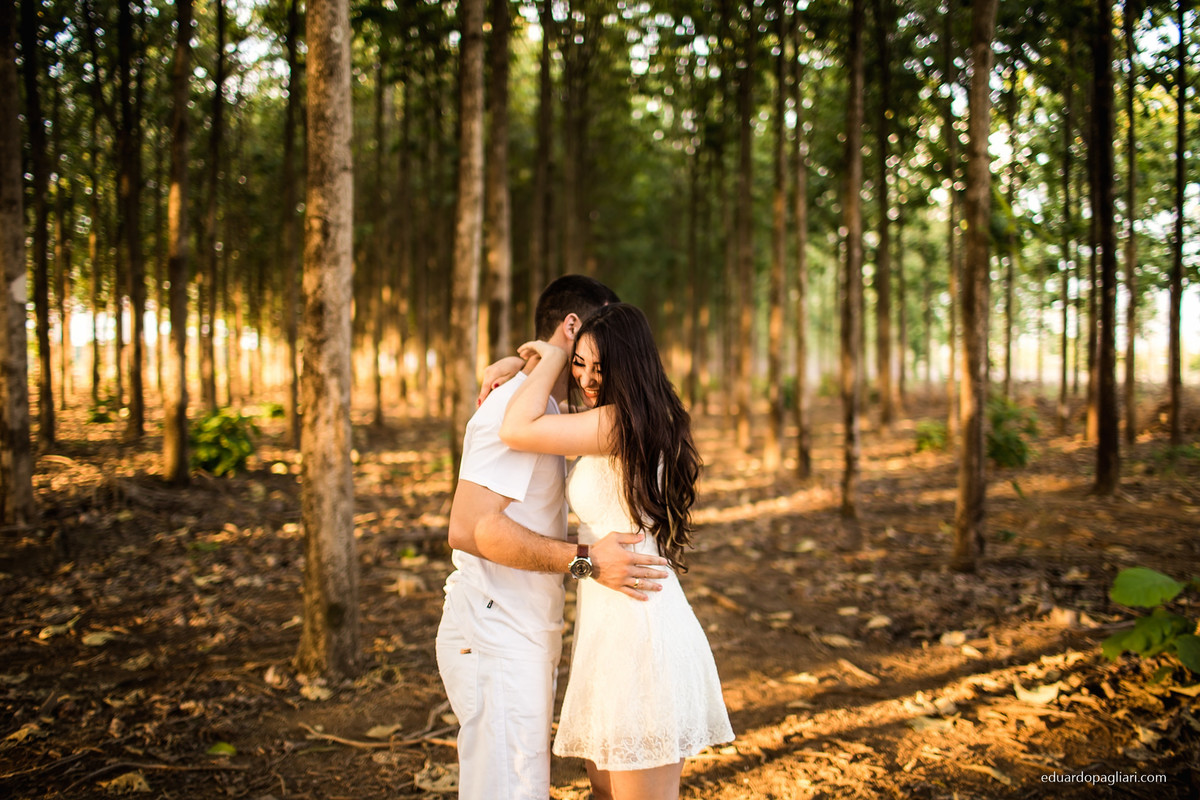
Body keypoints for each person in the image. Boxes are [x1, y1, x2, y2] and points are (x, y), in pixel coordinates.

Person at [436, 276, 671, 800]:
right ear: (572, 331)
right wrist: (586, 560)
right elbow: (469, 528)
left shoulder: (573, 411)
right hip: (499, 632)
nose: (600, 366)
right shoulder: (513, 406)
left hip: (558, 625)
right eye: (591, 347)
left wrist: (530, 364)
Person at [499, 302, 734, 800]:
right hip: (612, 624)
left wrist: (552, 356)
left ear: (628, 364)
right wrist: (523, 365)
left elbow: (516, 428)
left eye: (598, 367)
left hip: (639, 632)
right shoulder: (627, 419)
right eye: (579, 363)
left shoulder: (617, 423)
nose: (585, 378)